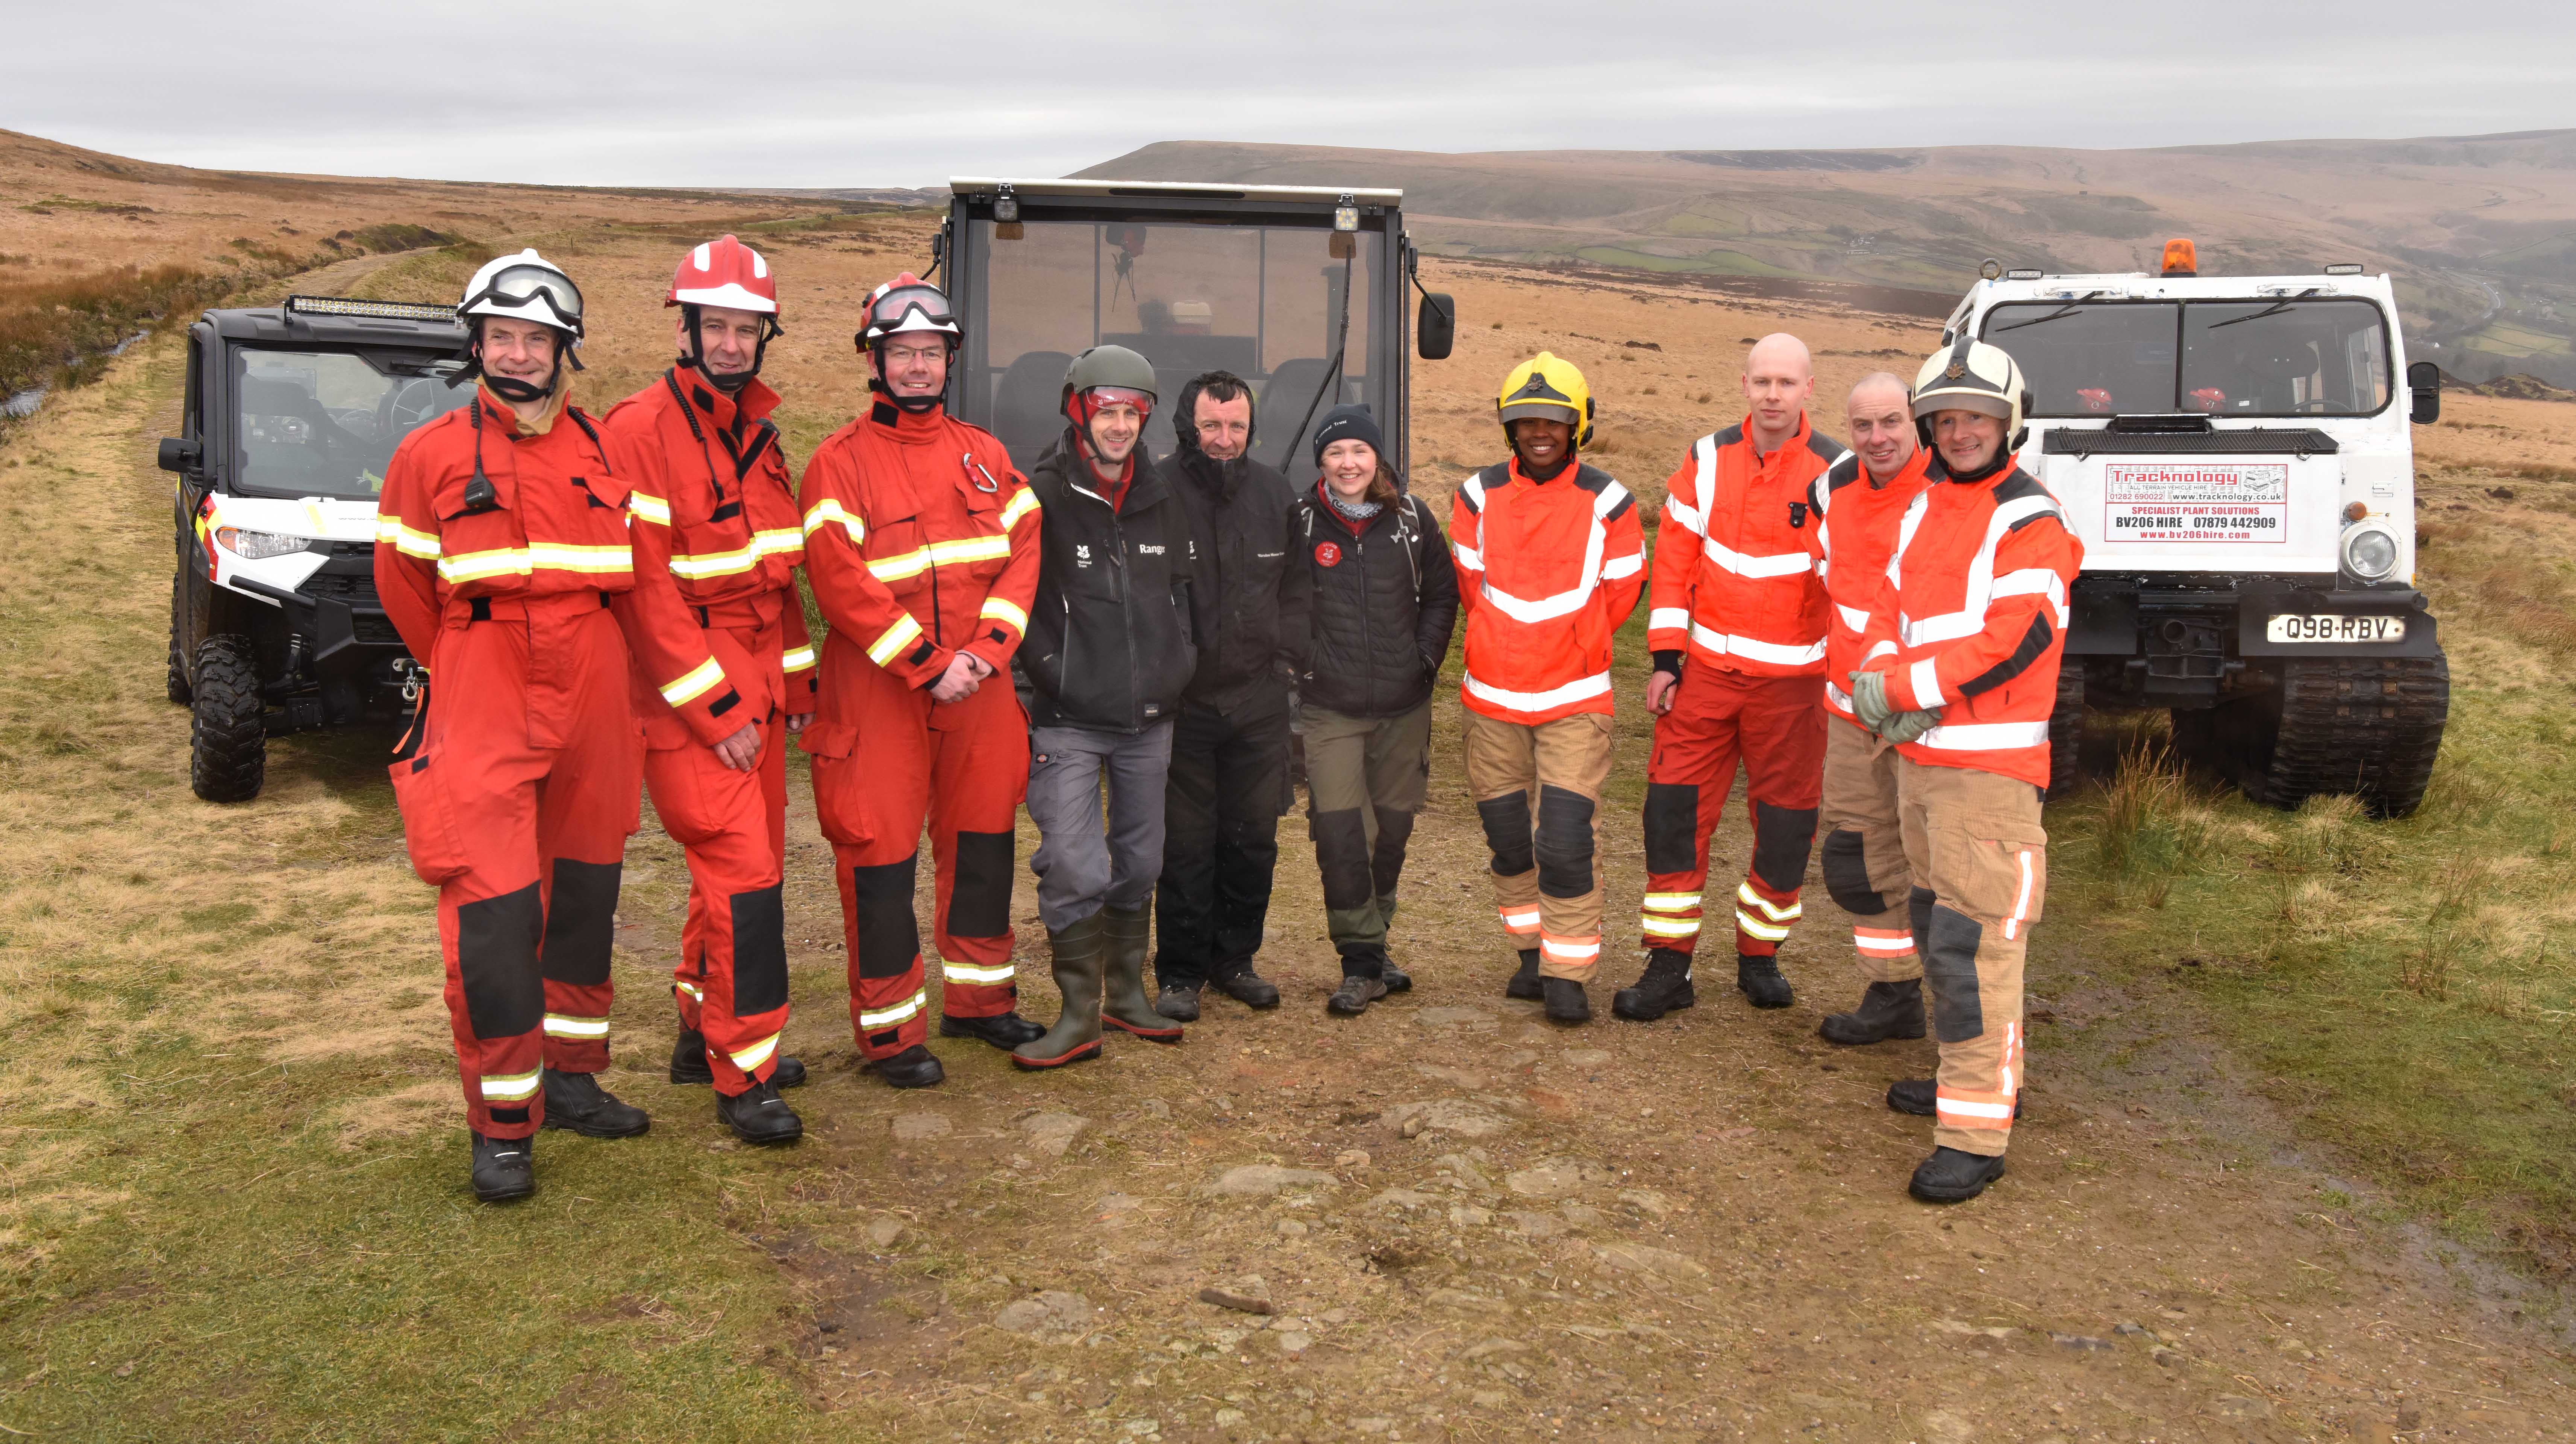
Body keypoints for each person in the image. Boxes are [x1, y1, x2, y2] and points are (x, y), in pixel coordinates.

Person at [375, 249, 747, 1202]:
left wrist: (712, 708)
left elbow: (651, 595)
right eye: (502, 336)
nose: (519, 354)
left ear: (563, 351)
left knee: (585, 893)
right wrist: (470, 664)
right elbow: (406, 590)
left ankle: (572, 1077)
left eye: (537, 340)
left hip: (593, 687)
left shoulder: (603, 453)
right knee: (493, 910)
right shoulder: (427, 457)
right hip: (484, 684)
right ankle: (503, 1123)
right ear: (477, 344)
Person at [797, 274, 1048, 1090]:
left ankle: (978, 1001)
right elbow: (841, 583)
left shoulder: (987, 455)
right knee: (881, 857)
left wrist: (983, 654)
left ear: (949, 360)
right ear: (876, 361)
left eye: (929, 353)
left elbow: (1023, 553)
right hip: (880, 693)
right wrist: (929, 665)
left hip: (979, 687)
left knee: (982, 843)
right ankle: (889, 1031)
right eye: (901, 353)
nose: (916, 367)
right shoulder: (838, 463)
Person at [1850, 338, 2080, 1203]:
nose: (1960, 432)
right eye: (1946, 419)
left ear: (2007, 423)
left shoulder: (2032, 521)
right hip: (1921, 764)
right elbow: (1890, 604)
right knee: (1937, 930)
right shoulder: (1925, 509)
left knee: (1975, 949)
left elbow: (2014, 637)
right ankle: (1965, 1079)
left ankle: (1977, 1134)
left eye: (1976, 418)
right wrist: (1875, 681)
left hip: (1986, 774)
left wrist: (1904, 686)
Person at [594, 235, 812, 1145]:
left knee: (726, 874)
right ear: (687, 329)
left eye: (745, 328)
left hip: (758, 678)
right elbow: (644, 593)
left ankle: (698, 1029)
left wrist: (794, 692)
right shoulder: (639, 430)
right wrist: (716, 711)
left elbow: (776, 582)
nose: (730, 343)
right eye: (715, 326)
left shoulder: (755, 434)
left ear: (764, 335)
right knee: (747, 879)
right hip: (692, 692)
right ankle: (746, 1070)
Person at [1622, 334, 1847, 1022]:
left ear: (1810, 388)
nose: (1773, 395)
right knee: (1673, 816)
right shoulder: (1707, 457)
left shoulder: (1838, 470)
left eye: (1787, 382)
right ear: (1744, 385)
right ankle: (1669, 963)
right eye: (1762, 382)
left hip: (1796, 686)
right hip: (1706, 680)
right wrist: (1665, 660)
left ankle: (1760, 956)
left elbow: (1857, 580)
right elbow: (1676, 560)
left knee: (1784, 826)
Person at [1014, 345, 1199, 1067]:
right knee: (1071, 861)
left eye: (1132, 413)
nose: (1119, 426)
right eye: (1106, 411)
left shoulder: (1162, 494)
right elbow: (1017, 599)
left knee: (1141, 861)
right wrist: (1051, 671)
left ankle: (1126, 996)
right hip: (1068, 717)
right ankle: (1076, 1013)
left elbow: (1184, 593)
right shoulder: (1043, 496)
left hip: (1151, 718)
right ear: (1078, 410)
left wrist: (1177, 666)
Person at [1452, 353, 1645, 1025]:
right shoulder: (1475, 496)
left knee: (1564, 840)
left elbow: (1623, 592)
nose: (1540, 431)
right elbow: (1470, 587)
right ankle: (1530, 954)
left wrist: (1573, 642)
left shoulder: (1610, 500)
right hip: (1492, 702)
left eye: (1555, 420)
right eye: (1526, 420)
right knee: (1508, 839)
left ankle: (1569, 969)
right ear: (1509, 428)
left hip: (1573, 701)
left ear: (1579, 425)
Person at [1289, 404, 1459, 1015]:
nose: (1348, 463)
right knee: (1341, 834)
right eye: (1335, 453)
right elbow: (1282, 602)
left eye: (1359, 451)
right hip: (1330, 709)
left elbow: (1442, 595)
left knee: (1391, 832)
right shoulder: (1301, 523)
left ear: (1377, 458)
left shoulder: (1414, 520)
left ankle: (1376, 940)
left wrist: (1425, 660)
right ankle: (1360, 962)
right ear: (1322, 463)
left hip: (1404, 705)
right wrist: (1307, 661)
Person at [1150, 372, 1309, 1022]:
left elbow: (1299, 590)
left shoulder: (1276, 493)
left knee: (1252, 840)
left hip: (1259, 701)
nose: (1223, 439)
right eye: (1211, 426)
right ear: (1188, 425)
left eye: (1236, 427)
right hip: (1183, 705)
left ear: (1251, 428)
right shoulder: (1155, 490)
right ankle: (1181, 972)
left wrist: (1285, 661)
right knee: (1185, 845)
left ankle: (1235, 960)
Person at [1811, 374, 1936, 1049]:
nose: (1878, 438)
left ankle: (1969, 1030)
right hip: (1848, 714)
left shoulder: (1950, 491)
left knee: (1943, 869)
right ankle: (1892, 993)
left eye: (1892, 422)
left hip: (1926, 717)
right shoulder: (1832, 490)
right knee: (1860, 859)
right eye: (1864, 426)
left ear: (1915, 421)